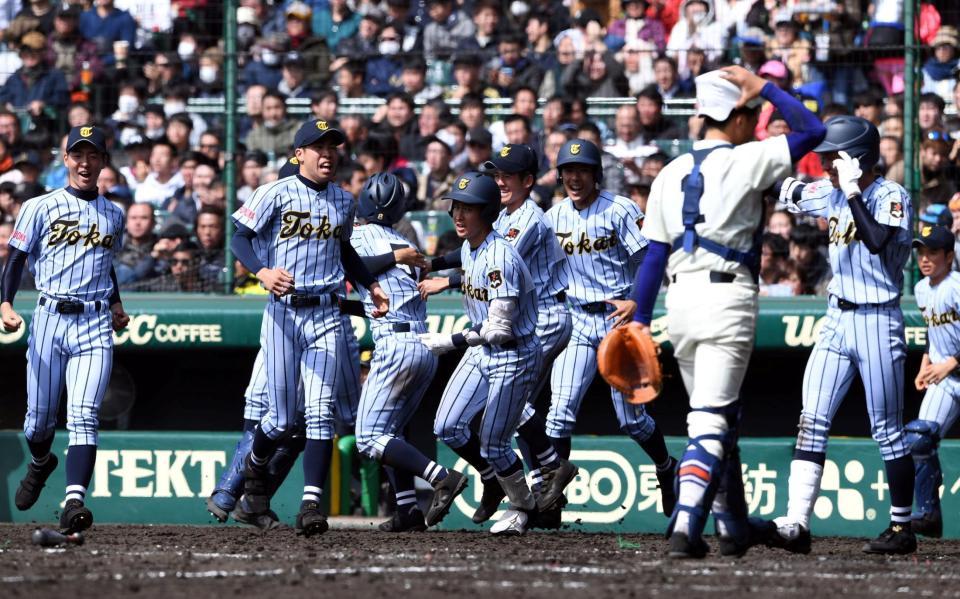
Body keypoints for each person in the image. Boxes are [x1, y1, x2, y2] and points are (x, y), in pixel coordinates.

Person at [633, 66, 826, 558]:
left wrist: (638, 319)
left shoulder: (669, 173)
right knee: (711, 421)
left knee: (717, 419)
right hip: (726, 299)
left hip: (678, 305)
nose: (756, 121)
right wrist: (768, 89)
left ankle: (733, 526)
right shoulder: (748, 159)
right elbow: (813, 131)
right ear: (736, 117)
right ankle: (685, 526)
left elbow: (654, 255)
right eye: (751, 113)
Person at [230, 119, 389, 537]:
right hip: (284, 312)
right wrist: (261, 271)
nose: (328, 153)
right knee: (280, 419)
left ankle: (311, 503)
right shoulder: (274, 192)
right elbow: (238, 237)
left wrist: (371, 284)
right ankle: (255, 464)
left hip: (326, 313)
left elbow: (345, 249)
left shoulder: (343, 199)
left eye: (333, 146)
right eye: (318, 147)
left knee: (319, 414)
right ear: (299, 153)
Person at [771, 115, 915, 555]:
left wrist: (851, 190)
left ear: (860, 158)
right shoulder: (832, 191)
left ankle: (902, 527)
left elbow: (875, 239)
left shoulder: (893, 195)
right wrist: (781, 176)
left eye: (834, 158)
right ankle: (796, 522)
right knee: (811, 420)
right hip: (836, 317)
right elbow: (790, 193)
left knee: (887, 430)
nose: (828, 167)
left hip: (877, 318)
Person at [419, 145, 579, 528]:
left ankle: (528, 500)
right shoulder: (477, 241)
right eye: (454, 206)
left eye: (466, 207)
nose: (457, 213)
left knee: (499, 433)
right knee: (449, 426)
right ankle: (528, 474)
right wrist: (431, 263)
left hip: (530, 329)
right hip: (497, 336)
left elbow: (498, 326)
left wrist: (450, 341)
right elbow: (472, 261)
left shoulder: (521, 229)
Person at [3, 125, 129, 533]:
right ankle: (41, 462)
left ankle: (74, 500)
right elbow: (17, 259)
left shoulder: (114, 213)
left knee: (83, 416)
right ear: (66, 159)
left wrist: (116, 303)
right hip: (50, 318)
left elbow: (103, 264)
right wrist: (5, 302)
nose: (85, 162)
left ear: (103, 162)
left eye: (93, 155)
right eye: (78, 154)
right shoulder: (40, 206)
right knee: (37, 422)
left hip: (93, 323)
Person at [544, 138, 678, 518]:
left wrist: (637, 300)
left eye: (581, 170)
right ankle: (552, 498)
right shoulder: (553, 216)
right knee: (559, 411)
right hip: (577, 318)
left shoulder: (620, 209)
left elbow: (650, 256)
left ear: (596, 174)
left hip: (617, 319)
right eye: (568, 171)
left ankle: (666, 468)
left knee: (632, 421)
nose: (574, 177)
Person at [350, 172, 469, 532]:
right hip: (420, 345)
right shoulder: (402, 240)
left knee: (369, 438)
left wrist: (393, 256)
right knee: (390, 433)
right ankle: (407, 511)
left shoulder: (359, 237)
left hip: (396, 345)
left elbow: (353, 265)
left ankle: (441, 476)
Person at [906, 225, 960, 539]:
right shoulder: (922, 289)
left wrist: (950, 363)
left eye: (933, 252)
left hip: (951, 368)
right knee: (919, 438)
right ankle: (928, 513)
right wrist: (926, 363)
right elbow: (933, 330)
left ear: (949, 256)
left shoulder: (956, 286)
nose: (925, 258)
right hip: (946, 378)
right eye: (921, 252)